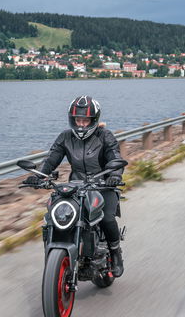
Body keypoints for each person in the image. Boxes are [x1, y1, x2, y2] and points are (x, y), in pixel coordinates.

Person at [23, 95, 125, 277]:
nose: (81, 124)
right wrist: (38, 176)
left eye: (86, 120)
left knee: (107, 218)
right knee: (53, 218)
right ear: (72, 119)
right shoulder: (65, 137)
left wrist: (115, 176)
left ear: (94, 120)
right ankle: (57, 261)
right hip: (77, 186)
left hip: (103, 185)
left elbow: (115, 157)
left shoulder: (105, 136)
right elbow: (51, 159)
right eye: (78, 120)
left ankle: (116, 253)